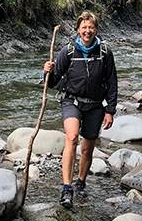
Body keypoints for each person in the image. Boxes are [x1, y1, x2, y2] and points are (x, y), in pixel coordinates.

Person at [43, 11, 118, 208]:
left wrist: (110, 110)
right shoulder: (67, 51)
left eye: (91, 27)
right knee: (72, 137)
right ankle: (67, 188)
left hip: (95, 105)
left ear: (96, 29)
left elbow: (112, 82)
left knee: (87, 148)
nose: (87, 31)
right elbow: (52, 82)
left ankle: (81, 182)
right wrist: (47, 72)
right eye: (84, 27)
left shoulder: (105, 53)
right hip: (71, 101)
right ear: (78, 29)